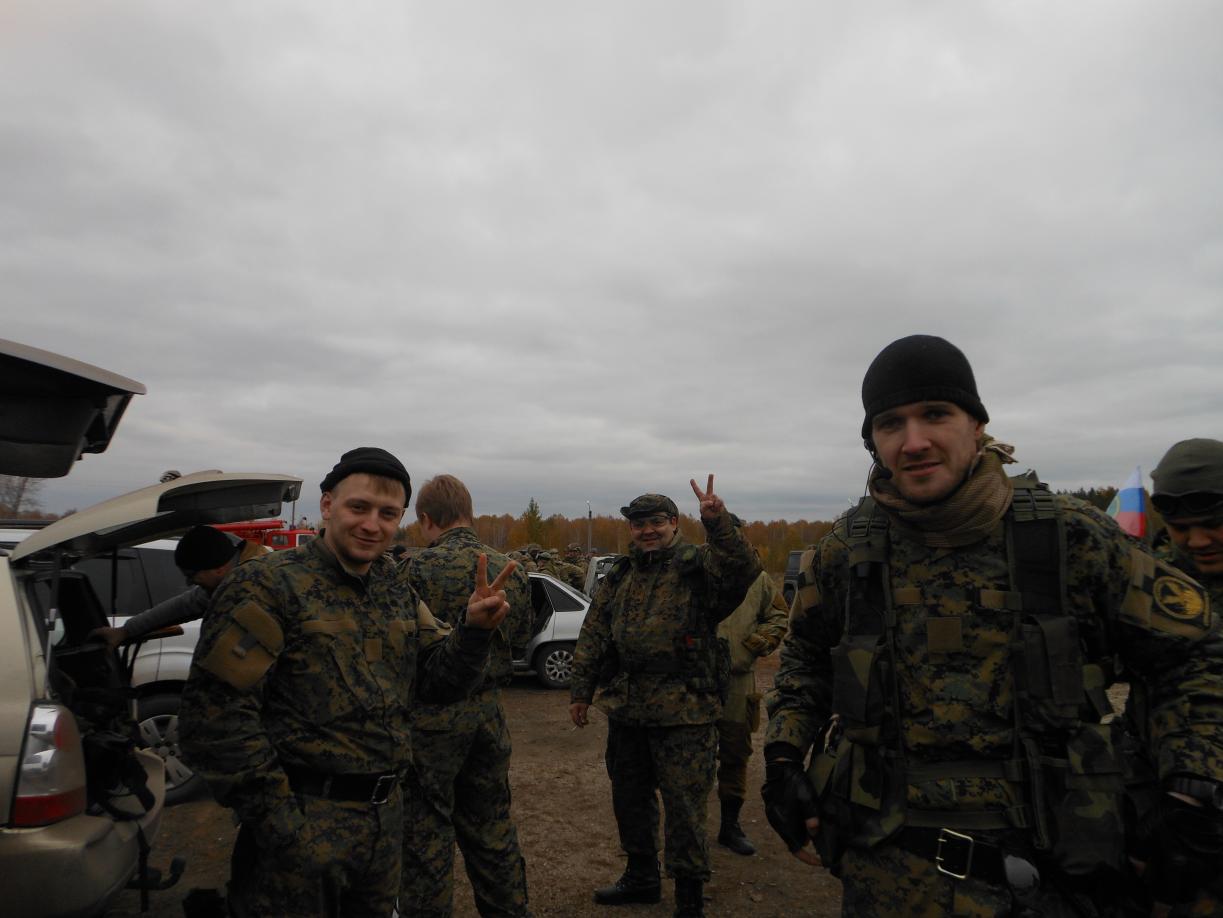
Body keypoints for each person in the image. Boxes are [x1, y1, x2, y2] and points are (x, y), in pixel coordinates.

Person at [763, 335, 1223, 916]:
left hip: (1054, 873)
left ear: (977, 424)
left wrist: (1193, 788)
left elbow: (1195, 652)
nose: (914, 441)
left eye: (936, 414)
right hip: (888, 872)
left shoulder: (1070, 537)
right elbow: (806, 658)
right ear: (872, 440)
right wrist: (783, 756)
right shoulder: (848, 551)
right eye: (890, 423)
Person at [179, 447, 516, 918]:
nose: (372, 525)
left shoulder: (393, 588)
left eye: (388, 514)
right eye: (359, 507)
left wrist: (474, 632)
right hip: (299, 835)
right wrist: (283, 826)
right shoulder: (268, 585)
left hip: (383, 830)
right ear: (327, 505)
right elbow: (214, 722)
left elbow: (438, 683)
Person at [569, 477, 762, 918]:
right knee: (629, 797)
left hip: (685, 710)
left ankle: (689, 898)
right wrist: (581, 690)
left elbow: (743, 569)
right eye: (639, 524)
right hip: (629, 706)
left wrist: (718, 523)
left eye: (656, 522)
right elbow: (595, 632)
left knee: (685, 807)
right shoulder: (621, 573)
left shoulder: (698, 566)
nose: (648, 531)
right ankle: (641, 878)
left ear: (674, 523)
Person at [400, 474, 535, 918]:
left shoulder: (414, 569)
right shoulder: (510, 569)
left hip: (429, 720)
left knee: (425, 837)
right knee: (492, 829)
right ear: (468, 513)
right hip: (488, 715)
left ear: (425, 518)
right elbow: (522, 635)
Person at [90, 525, 267, 649]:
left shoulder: (259, 588)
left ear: (219, 569)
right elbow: (183, 606)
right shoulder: (225, 582)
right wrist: (125, 631)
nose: (189, 583)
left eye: (192, 575)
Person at [713, 567, 788, 856]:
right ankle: (688, 828)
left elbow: (778, 615)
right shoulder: (699, 569)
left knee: (735, 754)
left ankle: (730, 826)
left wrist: (757, 643)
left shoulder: (757, 578)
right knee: (690, 757)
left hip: (738, 682)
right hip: (696, 683)